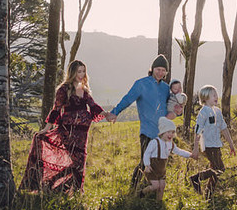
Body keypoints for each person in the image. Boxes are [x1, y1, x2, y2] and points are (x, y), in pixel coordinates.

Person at [19, 60, 104, 194]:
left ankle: (70, 190)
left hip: (82, 134)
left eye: (83, 71)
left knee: (80, 162)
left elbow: (93, 106)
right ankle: (55, 185)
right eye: (78, 72)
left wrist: (107, 114)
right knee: (76, 162)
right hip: (68, 131)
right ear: (72, 72)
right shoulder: (63, 89)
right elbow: (56, 110)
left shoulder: (84, 89)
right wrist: (46, 129)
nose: (81, 75)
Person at [109, 53, 171, 188]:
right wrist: (115, 112)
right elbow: (127, 99)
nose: (160, 73)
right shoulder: (141, 84)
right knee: (145, 161)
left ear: (166, 72)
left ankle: (149, 189)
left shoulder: (166, 88)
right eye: (158, 69)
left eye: (163, 70)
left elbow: (170, 107)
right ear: (152, 69)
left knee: (160, 162)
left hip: (163, 133)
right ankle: (133, 190)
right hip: (147, 131)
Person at [190, 85, 235, 198]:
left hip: (216, 145)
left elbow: (224, 128)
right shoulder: (203, 112)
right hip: (207, 145)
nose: (216, 97)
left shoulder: (218, 111)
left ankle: (208, 195)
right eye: (213, 95)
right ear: (205, 98)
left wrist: (231, 145)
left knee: (216, 169)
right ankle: (196, 178)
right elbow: (197, 131)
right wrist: (196, 149)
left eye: (216, 94)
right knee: (219, 169)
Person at [140, 117, 192, 201]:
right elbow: (147, 154)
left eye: (172, 132)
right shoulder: (154, 142)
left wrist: (190, 155)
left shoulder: (170, 144)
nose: (171, 134)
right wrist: (147, 165)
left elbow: (178, 151)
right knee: (155, 186)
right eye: (168, 132)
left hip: (162, 170)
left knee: (162, 186)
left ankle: (158, 203)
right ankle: (142, 193)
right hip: (152, 168)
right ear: (162, 132)